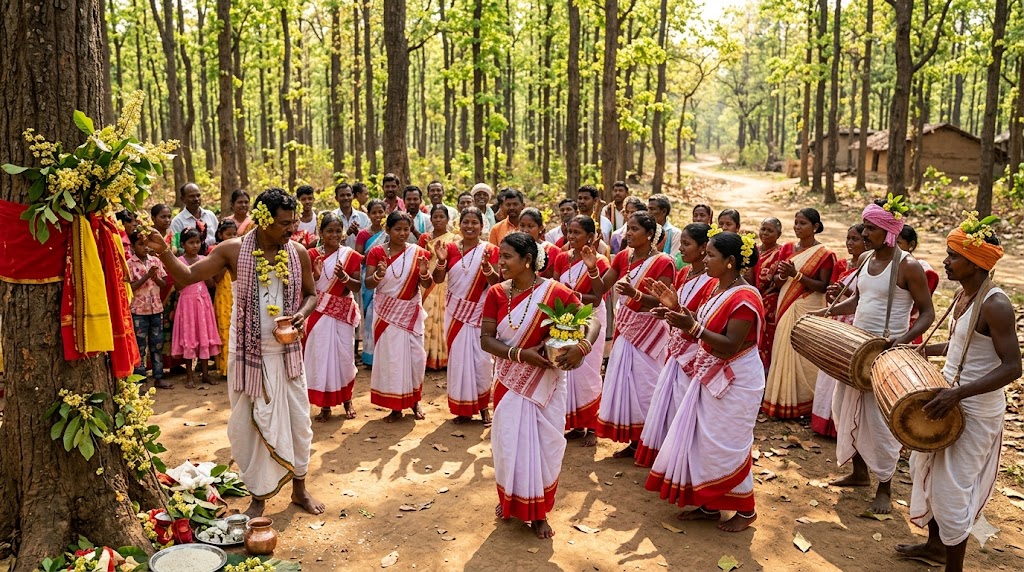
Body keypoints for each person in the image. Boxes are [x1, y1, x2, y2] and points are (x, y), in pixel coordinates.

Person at [144, 187, 325, 517]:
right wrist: (164, 253)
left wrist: (302, 314)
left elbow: (313, 294)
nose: (292, 229)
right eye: (285, 223)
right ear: (264, 220)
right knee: (250, 429)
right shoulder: (232, 250)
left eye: (294, 222)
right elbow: (186, 277)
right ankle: (258, 498)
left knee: (299, 424)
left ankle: (299, 489)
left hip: (287, 355)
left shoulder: (297, 252)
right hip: (249, 356)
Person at [896, 216, 1021, 572]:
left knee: (953, 489)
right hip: (948, 398)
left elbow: (1013, 367)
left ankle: (954, 567)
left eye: (953, 256)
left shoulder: (995, 304)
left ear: (975, 261)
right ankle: (936, 547)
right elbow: (962, 344)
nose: (946, 261)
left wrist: (958, 394)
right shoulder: (964, 293)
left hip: (975, 409)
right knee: (930, 472)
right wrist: (924, 349)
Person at [480, 232, 601, 540]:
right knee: (508, 446)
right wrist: (521, 354)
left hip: (546, 384)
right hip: (510, 381)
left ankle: (539, 513)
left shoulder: (554, 292)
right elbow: (486, 340)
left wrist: (582, 346)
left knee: (546, 446)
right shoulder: (495, 293)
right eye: (500, 256)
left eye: (507, 257)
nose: (501, 262)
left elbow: (593, 321)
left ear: (528, 260)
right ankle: (510, 499)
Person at [645, 231, 765, 533]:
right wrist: (675, 310)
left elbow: (729, 344)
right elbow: (703, 322)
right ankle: (710, 505)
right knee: (703, 441)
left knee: (729, 443)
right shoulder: (718, 289)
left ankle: (745, 509)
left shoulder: (745, 296)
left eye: (711, 255)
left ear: (730, 262)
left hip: (736, 379)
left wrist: (692, 326)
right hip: (711, 374)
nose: (704, 259)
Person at [823, 196, 935, 515]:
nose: (863, 232)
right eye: (865, 226)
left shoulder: (908, 266)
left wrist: (901, 340)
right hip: (857, 347)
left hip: (887, 352)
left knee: (879, 420)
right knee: (846, 407)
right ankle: (859, 474)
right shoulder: (866, 260)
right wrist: (828, 311)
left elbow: (927, 313)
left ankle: (884, 486)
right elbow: (859, 300)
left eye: (870, 228)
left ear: (887, 231)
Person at [591, 212, 675, 458]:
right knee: (627, 385)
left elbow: (665, 302)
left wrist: (635, 294)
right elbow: (600, 290)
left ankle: (653, 441)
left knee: (647, 386)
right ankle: (636, 442)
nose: (628, 233)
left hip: (650, 333)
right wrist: (591, 269)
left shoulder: (663, 262)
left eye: (634, 229)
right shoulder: (622, 258)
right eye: (627, 228)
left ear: (650, 235)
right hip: (626, 330)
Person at [634, 223, 717, 467]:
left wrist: (676, 311)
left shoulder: (711, 283)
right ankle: (669, 457)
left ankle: (684, 461)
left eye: (688, 244)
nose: (681, 247)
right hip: (676, 348)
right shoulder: (684, 274)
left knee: (684, 405)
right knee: (669, 402)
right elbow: (679, 308)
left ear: (704, 248)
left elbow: (703, 318)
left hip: (693, 353)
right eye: (682, 242)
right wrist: (667, 310)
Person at [761, 208, 836, 418]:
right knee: (782, 348)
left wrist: (797, 275)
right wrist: (784, 276)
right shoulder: (786, 248)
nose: (797, 227)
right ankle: (780, 401)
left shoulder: (825, 254)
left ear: (815, 227)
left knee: (803, 356)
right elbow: (776, 282)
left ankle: (805, 402)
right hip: (785, 303)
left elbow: (822, 286)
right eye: (795, 223)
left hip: (808, 306)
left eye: (802, 223)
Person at [433, 207, 501, 424]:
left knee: (481, 361)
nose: (470, 226)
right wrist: (441, 260)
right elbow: (437, 279)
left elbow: (498, 284)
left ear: (482, 226)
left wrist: (488, 268)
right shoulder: (450, 249)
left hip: (480, 313)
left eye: (475, 223)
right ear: (459, 224)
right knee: (458, 361)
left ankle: (483, 408)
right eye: (466, 222)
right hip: (455, 314)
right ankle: (462, 408)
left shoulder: (490, 250)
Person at [364, 211, 432, 422]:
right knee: (391, 360)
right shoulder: (376, 252)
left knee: (415, 358)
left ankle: (414, 401)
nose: (402, 234)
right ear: (388, 230)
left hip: (410, 313)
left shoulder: (419, 253)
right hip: (386, 315)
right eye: (397, 229)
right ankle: (395, 407)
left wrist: (423, 272)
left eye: (405, 229)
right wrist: (378, 275)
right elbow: (368, 283)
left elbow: (427, 284)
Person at [558, 216, 612, 447]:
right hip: (566, 320)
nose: (571, 237)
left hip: (591, 321)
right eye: (569, 232)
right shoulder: (562, 258)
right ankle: (576, 424)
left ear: (591, 237)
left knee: (588, 372)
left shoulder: (600, 262)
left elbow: (598, 297)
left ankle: (592, 425)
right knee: (570, 372)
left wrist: (572, 296)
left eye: (577, 233)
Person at [304, 213, 363, 422]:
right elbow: (305, 288)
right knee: (320, 358)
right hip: (318, 313)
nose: (334, 235)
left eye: (338, 231)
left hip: (342, 313)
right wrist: (316, 276)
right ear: (321, 232)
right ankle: (325, 406)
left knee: (344, 358)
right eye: (329, 231)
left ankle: (348, 400)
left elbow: (356, 286)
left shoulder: (351, 255)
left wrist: (344, 277)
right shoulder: (311, 255)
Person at [810, 224, 865, 438]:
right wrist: (834, 295)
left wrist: (850, 293)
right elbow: (832, 294)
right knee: (829, 373)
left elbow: (866, 300)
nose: (850, 243)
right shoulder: (843, 264)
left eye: (856, 239)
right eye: (848, 238)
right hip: (838, 322)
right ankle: (824, 421)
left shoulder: (869, 268)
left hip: (856, 325)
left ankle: (841, 426)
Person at [171, 228, 222, 388]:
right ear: (183, 244)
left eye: (197, 242)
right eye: (191, 242)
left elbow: (212, 284)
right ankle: (189, 376)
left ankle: (205, 374)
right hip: (187, 303)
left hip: (203, 301)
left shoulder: (204, 259)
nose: (194, 246)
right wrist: (190, 275)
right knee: (189, 337)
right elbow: (178, 285)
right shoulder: (179, 261)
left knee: (204, 336)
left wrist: (204, 272)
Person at [127, 231, 168, 389]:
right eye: (140, 245)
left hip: (156, 309)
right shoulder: (129, 264)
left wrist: (154, 277)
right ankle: (141, 380)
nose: (144, 248)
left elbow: (163, 283)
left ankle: (159, 377)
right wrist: (146, 276)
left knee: (157, 344)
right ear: (132, 246)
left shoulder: (155, 261)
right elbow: (130, 287)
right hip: (138, 311)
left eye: (146, 244)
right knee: (140, 346)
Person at [418, 205, 457, 370]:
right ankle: (426, 357)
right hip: (428, 282)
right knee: (427, 318)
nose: (438, 220)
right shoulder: (425, 238)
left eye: (442, 217)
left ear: (448, 219)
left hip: (446, 281)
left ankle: (443, 358)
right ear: (431, 219)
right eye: (435, 217)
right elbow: (420, 259)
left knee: (443, 318)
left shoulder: (454, 239)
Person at [355, 199, 388, 365]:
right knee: (369, 314)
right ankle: (369, 354)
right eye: (374, 212)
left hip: (386, 277)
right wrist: (372, 257)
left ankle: (383, 353)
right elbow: (359, 257)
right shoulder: (363, 234)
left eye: (380, 212)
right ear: (368, 214)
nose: (377, 216)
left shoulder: (389, 232)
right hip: (368, 276)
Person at [152, 204, 183, 372]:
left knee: (172, 321)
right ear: (153, 219)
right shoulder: (148, 236)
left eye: (169, 216)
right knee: (157, 323)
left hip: (173, 283)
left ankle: (175, 364)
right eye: (162, 217)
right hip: (155, 284)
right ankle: (157, 365)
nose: (167, 220)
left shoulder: (175, 237)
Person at [898, 224, 941, 344]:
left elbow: (920, 307)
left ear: (911, 245)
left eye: (898, 243)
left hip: (908, 328)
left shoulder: (921, 269)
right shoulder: (887, 265)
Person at [751, 217, 783, 368]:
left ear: (779, 234)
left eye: (770, 230)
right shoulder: (752, 250)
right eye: (763, 229)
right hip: (751, 299)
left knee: (768, 340)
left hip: (770, 305)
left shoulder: (781, 253)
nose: (765, 233)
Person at [211, 219, 239, 377]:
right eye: (228, 234)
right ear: (220, 235)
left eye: (234, 234)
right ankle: (225, 368)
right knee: (224, 330)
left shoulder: (240, 249)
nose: (232, 237)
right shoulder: (217, 251)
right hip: (223, 295)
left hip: (236, 293)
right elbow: (215, 278)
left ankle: (236, 367)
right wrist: (226, 260)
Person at [517, 208, 562, 279]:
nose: (525, 230)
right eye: (522, 226)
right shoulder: (514, 248)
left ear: (540, 228)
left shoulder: (553, 251)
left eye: (530, 226)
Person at [170, 183, 219, 248]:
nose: (196, 199)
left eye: (198, 195)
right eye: (191, 196)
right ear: (183, 199)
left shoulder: (210, 215)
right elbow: (177, 247)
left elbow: (219, 237)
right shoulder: (177, 222)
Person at [332, 182, 371, 249]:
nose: (346, 198)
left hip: (359, 257)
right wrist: (346, 234)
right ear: (336, 198)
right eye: (342, 195)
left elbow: (370, 242)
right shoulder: (332, 217)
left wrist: (359, 234)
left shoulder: (363, 217)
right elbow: (328, 241)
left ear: (353, 196)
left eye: (348, 195)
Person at [648, 194, 681, 262]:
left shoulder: (675, 233)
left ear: (664, 212)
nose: (648, 213)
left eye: (652, 209)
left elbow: (674, 260)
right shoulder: (645, 231)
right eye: (648, 209)